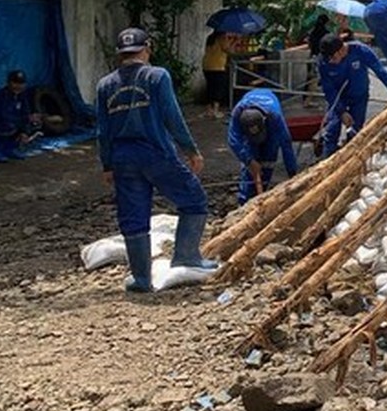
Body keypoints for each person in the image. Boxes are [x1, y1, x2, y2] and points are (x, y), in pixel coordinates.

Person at [96, 27, 215, 292]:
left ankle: (140, 278)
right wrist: (191, 150)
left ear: (120, 54)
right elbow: (172, 117)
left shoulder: (105, 85)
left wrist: (107, 165)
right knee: (194, 200)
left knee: (133, 217)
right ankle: (186, 255)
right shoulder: (156, 76)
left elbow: (102, 131)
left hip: (123, 159)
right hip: (156, 153)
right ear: (146, 49)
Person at [316, 33, 387, 155]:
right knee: (332, 131)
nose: (331, 62)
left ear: (340, 51)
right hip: (338, 99)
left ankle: (350, 161)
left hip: (359, 98)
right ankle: (327, 159)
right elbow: (329, 90)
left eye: (332, 58)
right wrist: (342, 111)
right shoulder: (324, 63)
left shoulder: (361, 51)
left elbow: (381, 72)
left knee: (356, 133)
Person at [227, 88, 298, 202]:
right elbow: (233, 141)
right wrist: (249, 161)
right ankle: (244, 200)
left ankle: (262, 193)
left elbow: (286, 144)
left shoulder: (274, 117)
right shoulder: (237, 113)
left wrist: (292, 173)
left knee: (268, 159)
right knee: (249, 166)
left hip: (270, 129)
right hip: (250, 132)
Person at [0, 69, 41, 162]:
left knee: (28, 123)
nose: (18, 86)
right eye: (15, 83)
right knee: (6, 125)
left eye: (21, 83)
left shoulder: (22, 97)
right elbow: (2, 118)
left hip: (9, 128)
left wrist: (24, 132)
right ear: (9, 83)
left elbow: (25, 114)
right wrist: (24, 119)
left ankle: (10, 148)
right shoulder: (0, 97)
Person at [202, 30, 232, 118]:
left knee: (210, 88)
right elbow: (227, 49)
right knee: (218, 89)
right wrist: (233, 42)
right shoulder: (223, 37)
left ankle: (208, 111)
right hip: (218, 66)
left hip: (207, 65)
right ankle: (215, 111)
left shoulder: (210, 38)